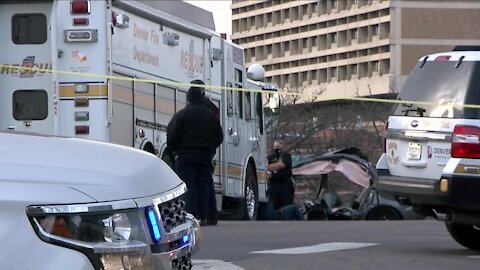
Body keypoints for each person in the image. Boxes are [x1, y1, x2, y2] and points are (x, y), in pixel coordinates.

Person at [167, 83, 223, 226]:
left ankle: (191, 215)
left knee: (189, 185)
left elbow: (172, 135)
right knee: (204, 184)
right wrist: (210, 148)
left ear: (188, 99)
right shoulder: (210, 115)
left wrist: (176, 150)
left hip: (185, 155)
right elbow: (219, 136)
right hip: (205, 154)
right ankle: (204, 215)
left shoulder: (182, 115)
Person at [189, 79, 220, 225]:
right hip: (206, 150)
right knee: (206, 182)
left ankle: (196, 214)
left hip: (191, 150)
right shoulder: (211, 108)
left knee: (194, 183)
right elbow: (217, 133)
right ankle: (210, 215)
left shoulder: (191, 109)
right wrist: (212, 146)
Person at [267, 139, 295, 210]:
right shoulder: (270, 157)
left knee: (287, 207)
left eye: (278, 146)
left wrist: (267, 168)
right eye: (275, 146)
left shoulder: (286, 156)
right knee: (273, 207)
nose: (276, 148)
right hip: (273, 185)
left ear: (282, 146)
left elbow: (280, 165)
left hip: (285, 185)